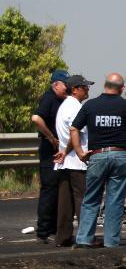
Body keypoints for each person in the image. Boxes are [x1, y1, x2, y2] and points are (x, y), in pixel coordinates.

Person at [70, 73, 126, 248]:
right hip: (120, 155)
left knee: (91, 198)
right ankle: (111, 242)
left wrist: (80, 152)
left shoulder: (91, 105)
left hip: (98, 155)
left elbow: (74, 128)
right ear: (122, 89)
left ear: (105, 85)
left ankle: (84, 239)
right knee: (115, 200)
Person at [52, 75, 94, 247]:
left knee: (65, 202)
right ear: (75, 89)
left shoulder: (65, 106)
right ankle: (85, 237)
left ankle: (63, 237)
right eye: (84, 87)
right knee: (82, 199)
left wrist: (63, 152)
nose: (88, 89)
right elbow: (74, 131)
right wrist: (67, 151)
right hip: (76, 160)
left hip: (66, 161)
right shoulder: (75, 107)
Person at [31, 69, 69, 243]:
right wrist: (51, 137)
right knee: (49, 189)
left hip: (59, 151)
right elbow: (36, 118)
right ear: (55, 84)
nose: (67, 88)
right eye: (64, 85)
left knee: (58, 189)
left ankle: (53, 228)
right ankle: (44, 231)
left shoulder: (62, 100)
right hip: (49, 150)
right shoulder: (49, 98)